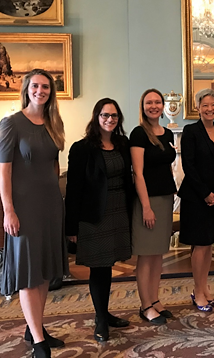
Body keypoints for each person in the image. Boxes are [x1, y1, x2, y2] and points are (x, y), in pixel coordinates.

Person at [0, 69, 67, 358]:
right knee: (28, 271)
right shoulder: (11, 123)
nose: (41, 90)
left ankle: (34, 327)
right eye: (36, 86)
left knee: (43, 271)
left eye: (46, 87)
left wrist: (57, 198)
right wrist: (9, 210)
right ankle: (39, 341)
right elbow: (4, 172)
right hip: (23, 207)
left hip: (50, 204)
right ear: (26, 89)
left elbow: (54, 165)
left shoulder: (53, 123)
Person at [65, 98, 134, 342]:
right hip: (94, 216)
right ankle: (101, 320)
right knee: (99, 267)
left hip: (119, 211)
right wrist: (71, 227)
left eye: (114, 116)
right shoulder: (81, 148)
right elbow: (73, 190)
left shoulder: (123, 144)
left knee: (110, 264)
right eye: (105, 115)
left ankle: (104, 313)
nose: (110, 120)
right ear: (96, 117)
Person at [130, 89, 177, 325]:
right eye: (149, 102)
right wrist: (146, 206)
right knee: (146, 255)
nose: (154, 106)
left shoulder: (167, 132)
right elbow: (138, 173)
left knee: (158, 254)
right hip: (147, 200)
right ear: (143, 105)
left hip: (165, 198)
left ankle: (155, 299)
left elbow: (166, 165)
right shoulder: (138, 134)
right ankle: (145, 305)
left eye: (157, 102)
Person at [178, 89, 214, 312]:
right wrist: (206, 193)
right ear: (198, 107)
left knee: (208, 245)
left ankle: (204, 288)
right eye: (205, 105)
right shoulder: (190, 131)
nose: (210, 109)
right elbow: (189, 166)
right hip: (196, 197)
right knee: (199, 244)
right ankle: (198, 291)